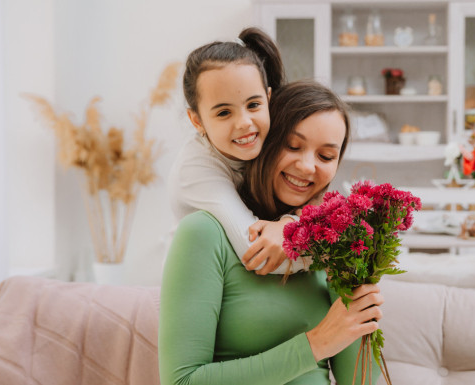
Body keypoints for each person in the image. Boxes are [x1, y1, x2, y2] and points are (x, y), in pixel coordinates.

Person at [159, 81, 383, 385]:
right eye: (292, 146)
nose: (306, 167)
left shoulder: (337, 247)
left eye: (326, 156)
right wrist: (317, 343)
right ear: (264, 141)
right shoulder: (204, 235)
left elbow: (362, 380)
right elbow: (181, 382)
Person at [168, 27, 298, 276]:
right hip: (199, 286)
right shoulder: (195, 169)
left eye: (253, 104)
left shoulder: (270, 139)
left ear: (268, 98)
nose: (245, 123)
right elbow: (258, 254)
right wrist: (335, 252)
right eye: (224, 112)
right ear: (196, 121)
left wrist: (289, 224)